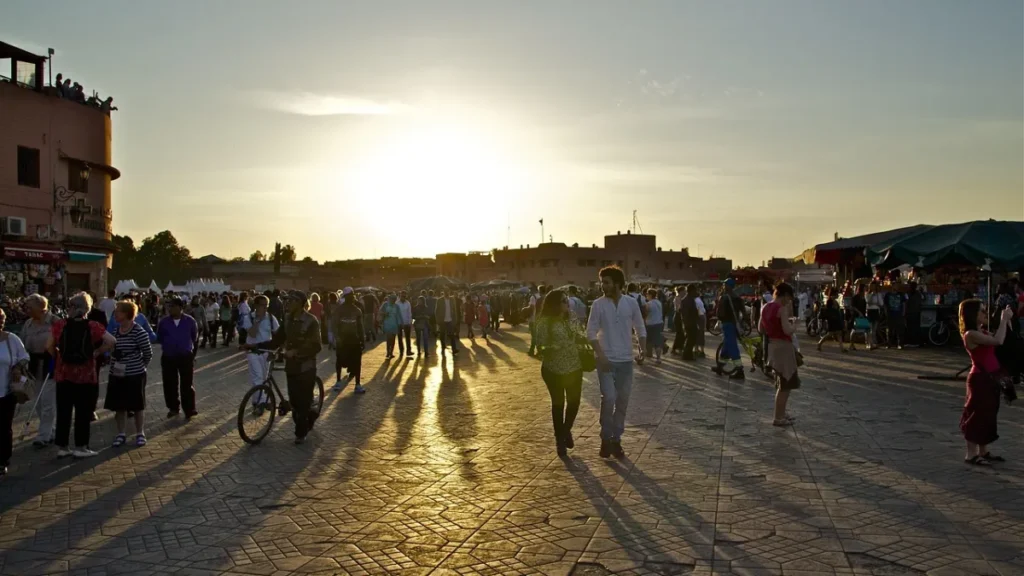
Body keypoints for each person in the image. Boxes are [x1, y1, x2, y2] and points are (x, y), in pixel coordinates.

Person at [47, 292, 116, 459]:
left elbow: (48, 345)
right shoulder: (93, 326)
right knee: (83, 411)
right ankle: (81, 446)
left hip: (63, 374)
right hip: (86, 374)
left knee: (63, 411)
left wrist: (59, 357)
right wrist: (98, 351)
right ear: (87, 308)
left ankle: (63, 446)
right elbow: (112, 341)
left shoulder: (60, 325)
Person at [587, 267, 646, 459]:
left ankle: (615, 439)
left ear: (617, 283)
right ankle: (605, 438)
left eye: (607, 282)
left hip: (626, 361)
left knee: (622, 400)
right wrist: (601, 356)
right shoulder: (598, 305)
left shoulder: (630, 303)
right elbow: (590, 332)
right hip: (605, 360)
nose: (603, 286)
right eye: (602, 282)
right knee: (609, 398)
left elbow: (639, 327)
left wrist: (643, 349)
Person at [959, 300, 1014, 466]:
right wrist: (1004, 320)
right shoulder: (971, 334)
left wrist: (1006, 320)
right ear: (972, 314)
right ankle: (971, 454)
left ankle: (983, 451)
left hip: (991, 377)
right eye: (982, 311)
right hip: (979, 378)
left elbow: (1000, 337)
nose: (985, 314)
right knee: (976, 415)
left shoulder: (980, 331)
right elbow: (998, 341)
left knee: (988, 414)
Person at [535, 290, 583, 457]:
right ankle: (559, 439)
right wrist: (552, 348)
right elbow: (539, 347)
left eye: (567, 300)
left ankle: (565, 430)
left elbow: (580, 335)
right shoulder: (544, 323)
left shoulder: (572, 317)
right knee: (558, 404)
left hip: (574, 367)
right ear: (554, 304)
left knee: (574, 402)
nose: (567, 303)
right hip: (553, 369)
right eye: (563, 301)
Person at [105, 301, 154, 448]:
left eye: (118, 311)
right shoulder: (115, 331)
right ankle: (121, 433)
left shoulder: (138, 331)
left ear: (126, 314)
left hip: (135, 374)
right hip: (117, 374)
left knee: (137, 405)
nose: (115, 314)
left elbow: (148, 353)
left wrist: (139, 366)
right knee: (120, 406)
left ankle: (140, 433)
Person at [280, 291, 322, 444]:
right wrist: (255, 346)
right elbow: (278, 338)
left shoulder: (311, 321)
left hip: (306, 367)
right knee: (294, 401)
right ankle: (310, 416)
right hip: (291, 367)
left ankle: (301, 433)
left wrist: (296, 352)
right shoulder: (287, 320)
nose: (288, 303)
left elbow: (316, 345)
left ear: (300, 303)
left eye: (291, 301)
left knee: (303, 402)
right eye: (288, 300)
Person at [760, 283, 800, 427]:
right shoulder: (781, 309)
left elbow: (761, 329)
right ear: (784, 295)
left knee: (780, 382)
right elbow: (787, 330)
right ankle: (778, 417)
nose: (789, 301)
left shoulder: (765, 307)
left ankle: (782, 413)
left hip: (772, 346)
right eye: (789, 298)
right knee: (785, 384)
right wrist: (795, 324)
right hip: (783, 347)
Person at [20, 294, 56, 447]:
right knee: (39, 402)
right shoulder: (28, 324)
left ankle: (43, 436)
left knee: (48, 401)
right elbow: (22, 344)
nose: (27, 310)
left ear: (41, 308)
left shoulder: (55, 322)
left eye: (30, 307)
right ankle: (51, 430)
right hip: (34, 365)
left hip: (51, 364)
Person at [156, 297, 199, 420]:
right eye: (169, 306)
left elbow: (194, 338)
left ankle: (189, 409)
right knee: (170, 383)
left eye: (173, 306)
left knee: (187, 383)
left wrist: (193, 355)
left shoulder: (190, 321)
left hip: (185, 356)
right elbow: (160, 337)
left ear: (181, 308)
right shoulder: (164, 322)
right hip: (169, 356)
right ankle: (173, 408)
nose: (170, 309)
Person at [1, 307, 30, 477]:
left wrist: (18, 367)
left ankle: (3, 460)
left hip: (6, 390)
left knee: (4, 427)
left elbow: (24, 356)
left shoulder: (11, 339)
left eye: (2, 318)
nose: (1, 321)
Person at [239, 295, 280, 409]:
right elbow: (252, 333)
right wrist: (257, 321)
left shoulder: (271, 318)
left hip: (266, 352)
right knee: (258, 377)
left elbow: (278, 334)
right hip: (253, 352)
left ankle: (256, 400)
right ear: (256, 306)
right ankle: (262, 402)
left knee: (263, 378)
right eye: (262, 305)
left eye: (266, 305)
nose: (265, 308)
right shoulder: (249, 318)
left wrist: (275, 350)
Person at [712, 279, 747, 379]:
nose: (723, 286)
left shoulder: (725, 297)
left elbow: (720, 313)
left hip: (727, 324)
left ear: (728, 286)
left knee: (732, 346)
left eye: (724, 284)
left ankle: (740, 370)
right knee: (726, 346)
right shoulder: (738, 297)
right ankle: (720, 367)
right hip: (735, 324)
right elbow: (744, 312)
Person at [332, 288, 365, 393]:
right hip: (342, 339)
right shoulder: (339, 310)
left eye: (352, 296)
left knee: (357, 361)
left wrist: (362, 340)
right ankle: (338, 381)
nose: (351, 298)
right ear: (345, 297)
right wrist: (337, 338)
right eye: (349, 296)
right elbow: (334, 326)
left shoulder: (357, 310)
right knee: (339, 360)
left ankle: (358, 384)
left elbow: (360, 327)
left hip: (354, 339)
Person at [817, 287, 848, 352]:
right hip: (832, 320)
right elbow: (830, 311)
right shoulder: (830, 301)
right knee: (830, 334)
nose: (837, 295)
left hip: (836, 319)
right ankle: (819, 343)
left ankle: (842, 348)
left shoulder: (834, 301)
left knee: (838, 333)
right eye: (836, 293)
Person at [435, 290, 462, 358]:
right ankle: (443, 346)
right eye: (446, 293)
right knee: (442, 335)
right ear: (443, 293)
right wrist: (438, 320)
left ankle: (454, 349)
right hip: (442, 320)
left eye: (448, 293)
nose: (447, 294)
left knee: (452, 335)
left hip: (450, 320)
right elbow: (436, 311)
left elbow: (454, 310)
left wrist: (455, 319)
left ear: (449, 293)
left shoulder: (452, 300)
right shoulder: (439, 300)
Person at [643, 288, 664, 364]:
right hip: (659, 323)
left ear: (650, 295)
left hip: (650, 324)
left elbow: (646, 314)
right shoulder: (659, 302)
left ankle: (648, 354)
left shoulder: (648, 304)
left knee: (648, 340)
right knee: (657, 342)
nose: (646, 296)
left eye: (647, 294)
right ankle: (658, 358)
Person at [679, 285, 700, 361]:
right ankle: (686, 355)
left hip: (690, 322)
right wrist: (687, 323)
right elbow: (685, 313)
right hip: (689, 323)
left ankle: (689, 355)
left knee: (691, 339)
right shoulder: (688, 300)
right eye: (695, 291)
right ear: (691, 291)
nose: (696, 292)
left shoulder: (689, 299)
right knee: (690, 339)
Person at [379, 294, 402, 359]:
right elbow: (380, 311)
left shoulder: (397, 306)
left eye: (394, 300)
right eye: (392, 299)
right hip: (387, 323)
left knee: (393, 339)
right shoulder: (385, 304)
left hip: (395, 324)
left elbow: (399, 315)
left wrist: (400, 323)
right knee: (389, 338)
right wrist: (384, 314)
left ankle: (391, 352)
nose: (393, 301)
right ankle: (388, 352)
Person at [396, 291, 413, 357]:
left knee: (408, 338)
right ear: (400, 296)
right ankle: (401, 351)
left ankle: (408, 351)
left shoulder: (408, 303)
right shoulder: (397, 303)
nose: (403, 297)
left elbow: (409, 313)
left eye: (404, 296)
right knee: (400, 338)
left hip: (406, 322)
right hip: (399, 323)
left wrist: (410, 322)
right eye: (402, 296)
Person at [694, 288, 707, 358]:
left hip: (699, 317)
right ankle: (701, 350)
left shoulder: (695, 301)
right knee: (701, 334)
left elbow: (697, 311)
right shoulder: (699, 300)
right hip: (702, 317)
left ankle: (697, 350)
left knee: (697, 334)